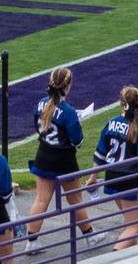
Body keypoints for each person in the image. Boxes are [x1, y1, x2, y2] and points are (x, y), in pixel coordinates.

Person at [28, 67, 96, 235]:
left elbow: (38, 127)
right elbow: (77, 141)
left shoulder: (41, 103)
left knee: (41, 200)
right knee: (76, 201)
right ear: (67, 86)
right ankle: (90, 235)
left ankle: (31, 241)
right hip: (64, 161)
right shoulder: (68, 111)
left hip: (43, 155)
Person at [93, 88, 138, 249]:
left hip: (111, 178)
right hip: (129, 181)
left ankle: (132, 253)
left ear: (121, 103)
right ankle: (116, 255)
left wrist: (93, 178)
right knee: (134, 226)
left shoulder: (111, 123)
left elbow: (100, 153)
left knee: (130, 222)